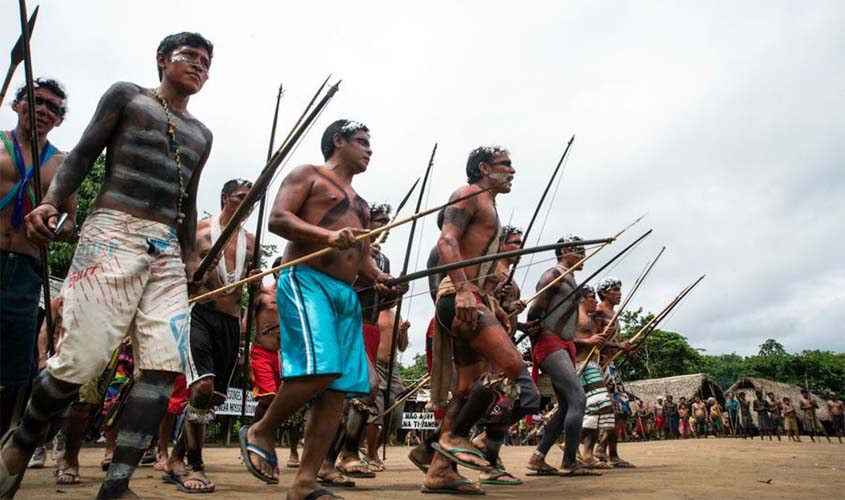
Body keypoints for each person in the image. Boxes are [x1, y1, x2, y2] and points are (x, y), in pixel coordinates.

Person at [2, 32, 214, 500]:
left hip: (167, 251)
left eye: (206, 62)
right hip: (113, 232)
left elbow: (190, 199)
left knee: (164, 366)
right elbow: (81, 155)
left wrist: (190, 257)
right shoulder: (127, 96)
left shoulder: (202, 134)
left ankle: (116, 484)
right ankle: (21, 441)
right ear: (162, 60)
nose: (199, 66)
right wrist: (52, 203)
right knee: (80, 362)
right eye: (190, 57)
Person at [238, 119, 403, 500]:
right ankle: (261, 430)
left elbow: (360, 254)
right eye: (361, 141)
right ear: (338, 140)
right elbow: (279, 219)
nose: (369, 149)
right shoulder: (308, 174)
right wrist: (327, 236)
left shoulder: (361, 205)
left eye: (370, 142)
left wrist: (377, 276)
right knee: (321, 367)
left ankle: (306, 482)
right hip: (306, 280)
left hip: (345, 295)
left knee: (338, 390)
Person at [423, 145, 524, 495]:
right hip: (458, 297)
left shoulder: (490, 205)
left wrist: (489, 301)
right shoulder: (469, 194)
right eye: (505, 165)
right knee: (511, 365)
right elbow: (447, 239)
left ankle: (439, 471)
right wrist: (465, 290)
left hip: (471, 296)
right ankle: (454, 436)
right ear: (483, 167)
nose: (512, 171)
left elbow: (478, 264)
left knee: (467, 388)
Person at [163, 179, 257, 493]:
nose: (247, 204)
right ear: (224, 198)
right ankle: (196, 465)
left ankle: (177, 458)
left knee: (212, 397)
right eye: (241, 197)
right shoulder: (200, 231)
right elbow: (174, 272)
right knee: (202, 387)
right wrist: (197, 269)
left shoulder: (252, 241)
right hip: (199, 315)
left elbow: (247, 288)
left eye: (252, 199)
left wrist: (254, 282)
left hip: (231, 323)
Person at [1, 78, 75, 436]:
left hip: (26, 268)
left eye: (53, 108)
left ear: (60, 120)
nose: (44, 110)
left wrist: (53, 227)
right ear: (18, 104)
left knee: (14, 365)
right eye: (37, 101)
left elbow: (70, 222)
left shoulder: (62, 164)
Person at [524, 235, 593, 477]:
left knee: (565, 406)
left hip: (563, 344)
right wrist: (534, 336)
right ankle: (569, 462)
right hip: (550, 343)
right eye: (579, 250)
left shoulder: (570, 278)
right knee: (578, 399)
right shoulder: (553, 274)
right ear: (563, 250)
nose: (584, 254)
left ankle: (538, 457)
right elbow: (535, 309)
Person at [592, 277, 635, 467]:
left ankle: (605, 449)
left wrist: (625, 348)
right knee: (610, 409)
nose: (619, 293)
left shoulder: (613, 314)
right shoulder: (598, 313)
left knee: (622, 409)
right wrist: (618, 345)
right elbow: (594, 339)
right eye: (614, 290)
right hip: (599, 365)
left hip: (611, 365)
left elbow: (613, 343)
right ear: (603, 293)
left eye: (619, 289)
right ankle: (606, 452)